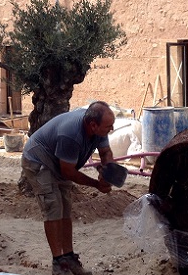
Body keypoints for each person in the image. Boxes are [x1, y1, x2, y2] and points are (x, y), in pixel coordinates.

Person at [21, 101, 116, 275]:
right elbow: (68, 172)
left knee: (65, 209)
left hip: (59, 163)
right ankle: (59, 264)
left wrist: (108, 171)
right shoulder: (71, 134)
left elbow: (105, 153)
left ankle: (69, 257)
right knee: (53, 208)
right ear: (93, 125)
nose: (111, 129)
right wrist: (96, 184)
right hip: (38, 161)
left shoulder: (99, 128)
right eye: (108, 126)